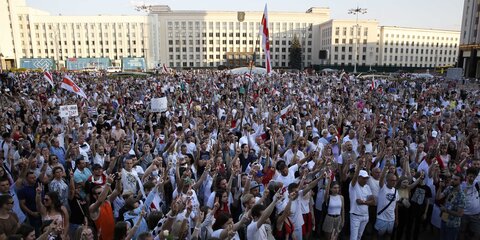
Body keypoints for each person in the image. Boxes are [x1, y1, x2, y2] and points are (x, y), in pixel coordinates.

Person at [349, 161, 376, 240]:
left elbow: (373, 201)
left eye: (367, 178)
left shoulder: (367, 187)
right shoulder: (353, 185)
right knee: (353, 238)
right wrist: (359, 167)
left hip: (365, 216)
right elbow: (354, 178)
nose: (366, 180)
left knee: (359, 237)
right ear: (359, 178)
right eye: (364, 178)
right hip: (355, 216)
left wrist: (364, 202)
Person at [89, 174, 120, 240]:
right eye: (99, 193)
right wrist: (108, 183)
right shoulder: (92, 208)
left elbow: (117, 190)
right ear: (94, 196)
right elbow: (100, 200)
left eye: (102, 191)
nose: (102, 193)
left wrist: (118, 179)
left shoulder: (107, 201)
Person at [436, 173, 466, 240]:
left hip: (453, 225)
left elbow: (460, 214)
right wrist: (440, 187)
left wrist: (446, 210)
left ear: (460, 182)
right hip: (444, 219)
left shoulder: (462, 195)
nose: (452, 180)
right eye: (452, 178)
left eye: (455, 179)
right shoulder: (449, 188)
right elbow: (438, 197)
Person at [375, 164, 399, 240]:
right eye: (392, 180)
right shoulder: (382, 187)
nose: (394, 182)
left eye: (395, 180)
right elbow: (381, 178)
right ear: (387, 180)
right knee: (379, 237)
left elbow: (396, 206)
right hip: (381, 219)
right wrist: (385, 167)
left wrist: (396, 218)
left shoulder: (396, 191)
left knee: (388, 236)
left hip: (391, 219)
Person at [460, 167, 480, 240]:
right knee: (461, 232)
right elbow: (462, 198)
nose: (472, 178)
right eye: (470, 176)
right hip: (464, 215)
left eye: (473, 176)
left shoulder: (477, 183)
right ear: (466, 176)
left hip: (476, 215)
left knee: (475, 234)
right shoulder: (462, 185)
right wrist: (467, 185)